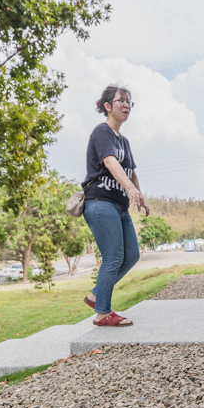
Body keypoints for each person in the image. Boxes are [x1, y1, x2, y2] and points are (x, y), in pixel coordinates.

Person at [82, 83, 148, 327]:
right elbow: (110, 162)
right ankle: (102, 313)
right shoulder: (102, 132)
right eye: (122, 100)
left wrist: (139, 195)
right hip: (100, 203)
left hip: (120, 206)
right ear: (108, 106)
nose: (127, 105)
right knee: (113, 257)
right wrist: (130, 189)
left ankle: (96, 295)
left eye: (129, 101)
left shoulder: (125, 141)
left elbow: (129, 170)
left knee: (131, 255)